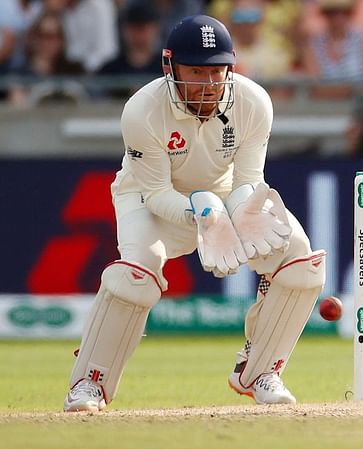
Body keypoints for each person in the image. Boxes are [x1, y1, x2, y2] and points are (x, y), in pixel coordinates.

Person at [63, 15, 327, 412]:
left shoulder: (253, 102)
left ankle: (259, 371)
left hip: (223, 195)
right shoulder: (143, 111)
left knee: (300, 259)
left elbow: (248, 179)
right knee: (139, 270)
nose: (208, 84)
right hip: (148, 198)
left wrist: (240, 210)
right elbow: (155, 193)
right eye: (196, 72)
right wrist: (202, 215)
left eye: (217, 71)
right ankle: (90, 383)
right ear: (170, 67)